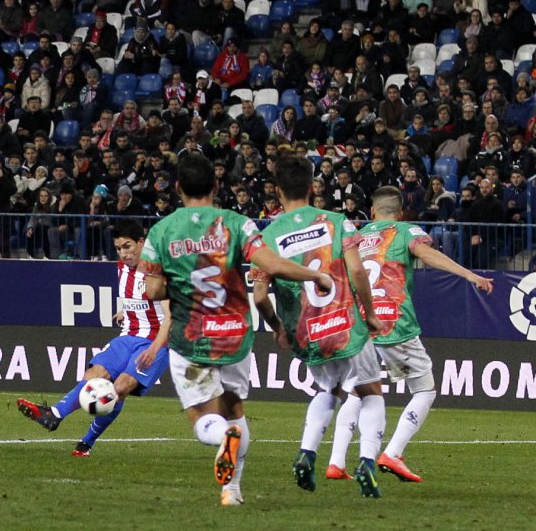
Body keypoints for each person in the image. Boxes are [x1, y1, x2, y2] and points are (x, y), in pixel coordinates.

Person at [138, 153, 334, 506]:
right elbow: (272, 264)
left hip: (192, 338)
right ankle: (232, 491)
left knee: (205, 420)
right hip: (234, 335)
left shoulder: (161, 231)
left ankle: (221, 438)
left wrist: (181, 287)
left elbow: (151, 291)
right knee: (235, 410)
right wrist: (316, 275)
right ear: (215, 186)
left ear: (178, 188)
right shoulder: (237, 224)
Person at [326, 186, 494, 483]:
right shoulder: (404, 230)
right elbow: (425, 253)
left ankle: (336, 462)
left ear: (373, 212)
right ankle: (393, 452)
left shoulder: (358, 237)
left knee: (357, 389)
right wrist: (470, 275)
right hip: (393, 323)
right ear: (400, 213)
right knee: (425, 389)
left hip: (360, 324)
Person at [251, 155, 385, 498]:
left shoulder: (266, 237)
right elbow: (356, 271)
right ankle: (368, 462)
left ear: (277, 191)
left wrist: (278, 326)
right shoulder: (337, 221)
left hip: (307, 332)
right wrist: (369, 313)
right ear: (313, 187)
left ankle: (307, 453)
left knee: (329, 391)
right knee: (370, 391)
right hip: (345, 325)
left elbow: (261, 296)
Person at [17, 219, 172, 456]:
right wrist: (125, 311)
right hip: (127, 336)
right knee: (93, 377)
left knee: (119, 388)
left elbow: (170, 316)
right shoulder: (121, 268)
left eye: (128, 247)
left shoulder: (158, 270)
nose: (123, 253)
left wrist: (155, 349)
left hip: (153, 341)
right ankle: (53, 415)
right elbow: (137, 298)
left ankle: (86, 443)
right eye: (119, 248)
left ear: (142, 243)